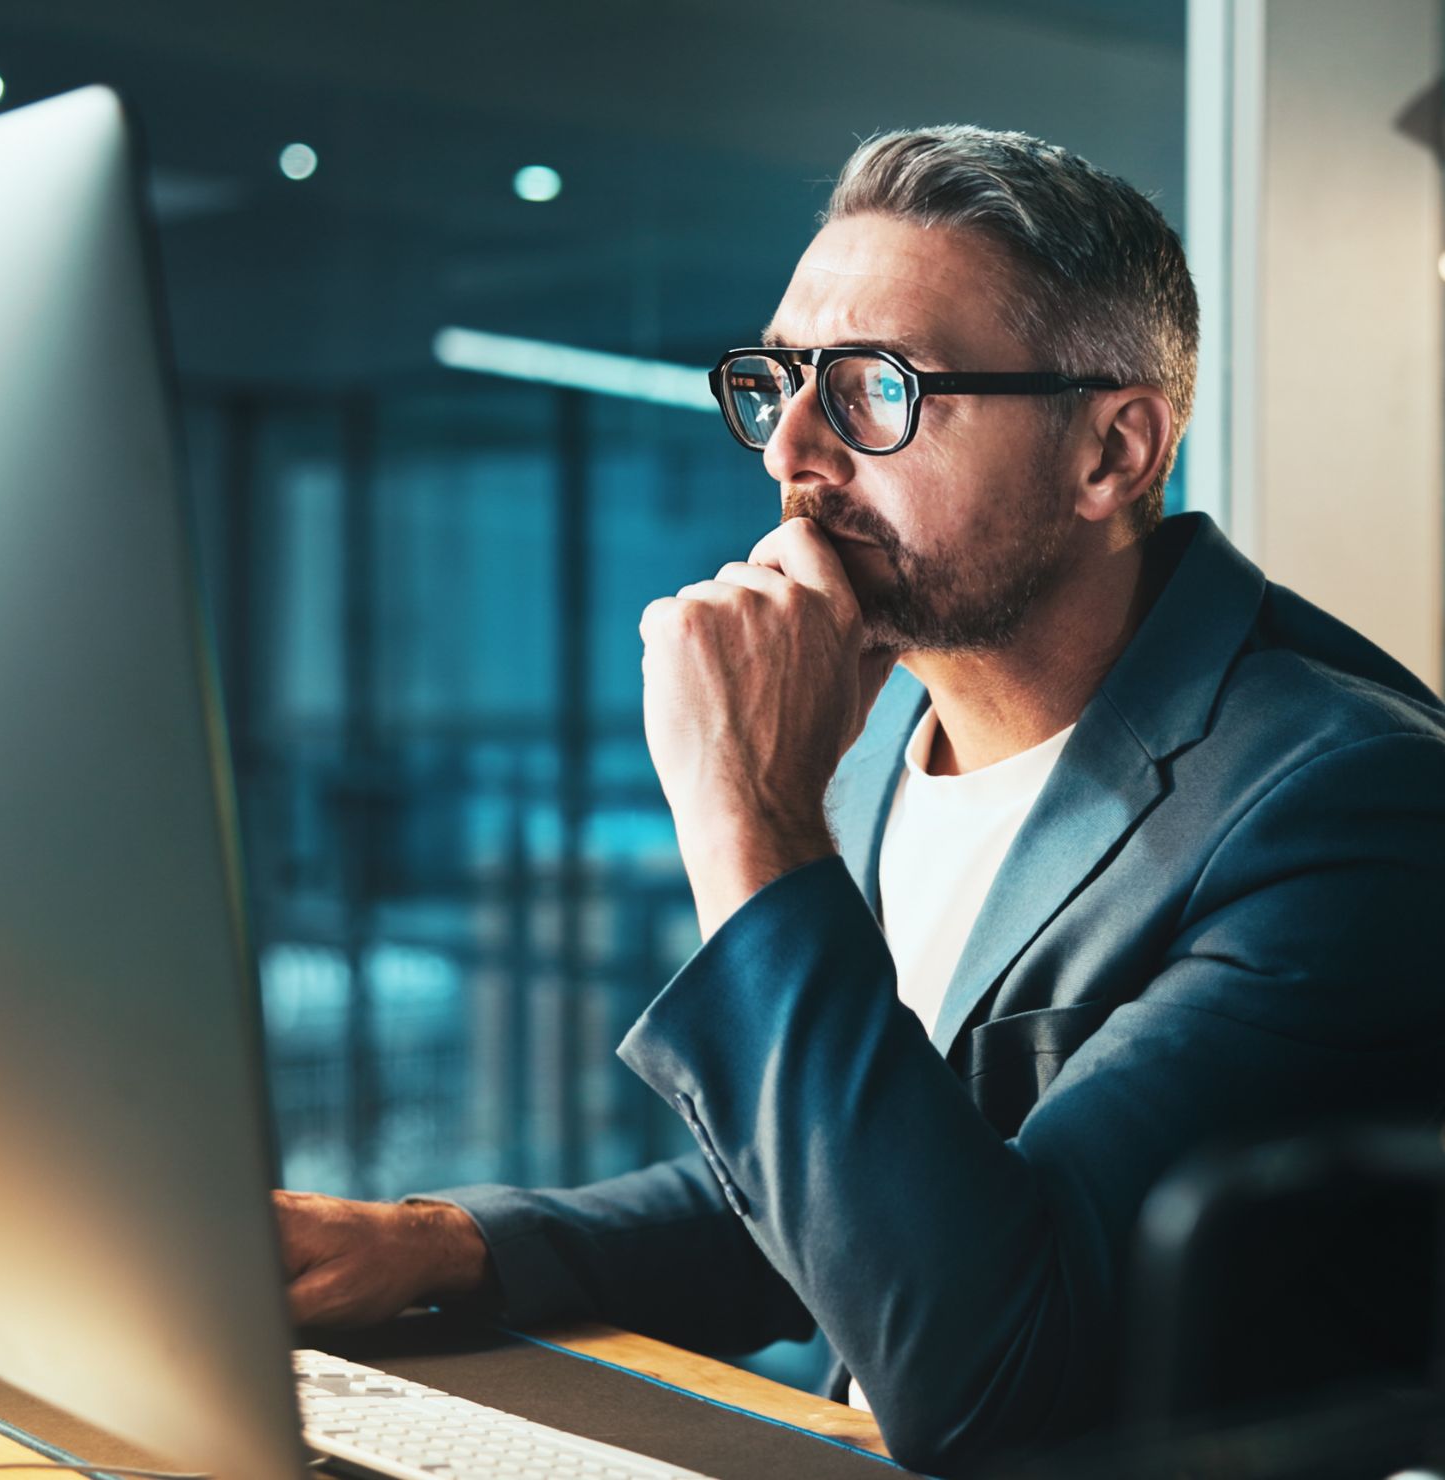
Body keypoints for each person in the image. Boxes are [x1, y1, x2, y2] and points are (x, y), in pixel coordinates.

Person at [274, 126, 1445, 1473]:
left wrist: (750, 812)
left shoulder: (1352, 806)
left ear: (1112, 453)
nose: (791, 455)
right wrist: (443, 1248)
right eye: (776, 383)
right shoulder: (912, 723)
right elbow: (862, 1177)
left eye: (876, 389)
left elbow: (992, 1370)